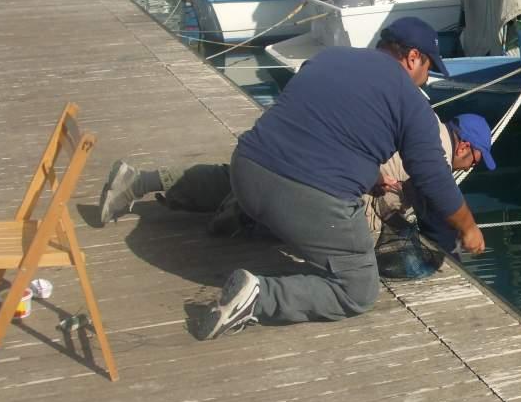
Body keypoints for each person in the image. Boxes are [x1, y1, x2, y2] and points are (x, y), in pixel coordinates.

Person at [190, 18, 485, 339]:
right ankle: (258, 296)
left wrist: (371, 174)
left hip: (245, 170)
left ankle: (240, 212)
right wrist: (467, 227)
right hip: (304, 197)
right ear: (413, 57)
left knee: (288, 201)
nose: (426, 80)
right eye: (429, 68)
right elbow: (433, 179)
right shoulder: (411, 102)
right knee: (358, 288)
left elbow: (321, 125)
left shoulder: (330, 57)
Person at [97, 112, 497, 245]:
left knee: (231, 176)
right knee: (338, 232)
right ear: (466, 148)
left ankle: (142, 179)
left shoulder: (417, 113)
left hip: (291, 146)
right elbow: (413, 206)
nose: (473, 166)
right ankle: (246, 216)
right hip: (328, 192)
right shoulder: (438, 159)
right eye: (478, 159)